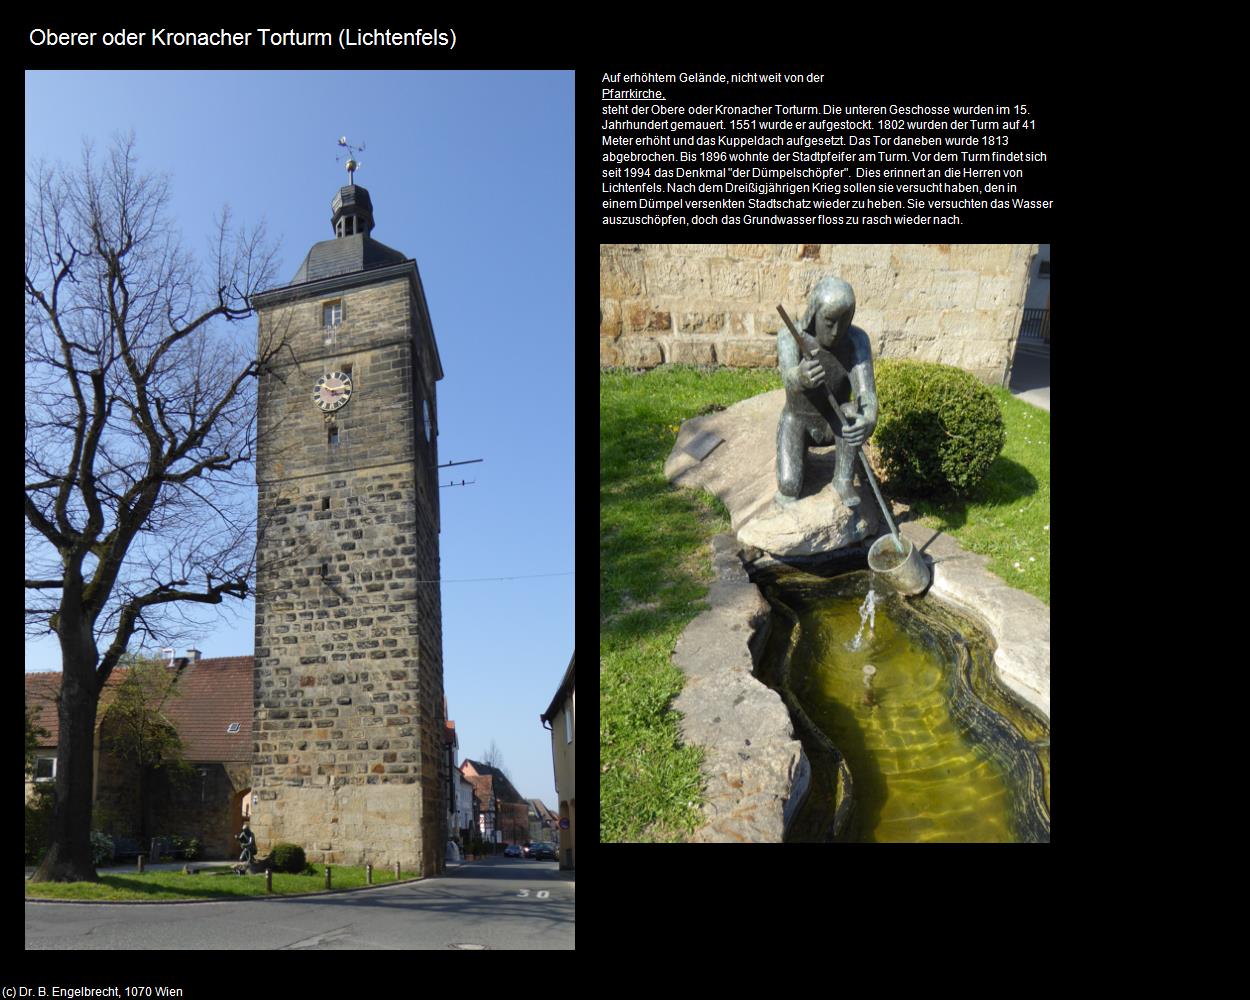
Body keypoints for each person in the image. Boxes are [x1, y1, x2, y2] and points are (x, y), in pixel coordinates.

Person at [776, 277, 878, 508]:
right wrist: (800, 376)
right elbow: (788, 379)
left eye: (844, 323)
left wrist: (869, 419)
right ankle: (797, 462)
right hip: (798, 419)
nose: (836, 332)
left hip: (836, 419)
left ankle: (843, 479)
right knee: (789, 488)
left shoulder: (857, 341)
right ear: (814, 313)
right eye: (829, 321)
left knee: (852, 412)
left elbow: (867, 394)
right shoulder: (790, 337)